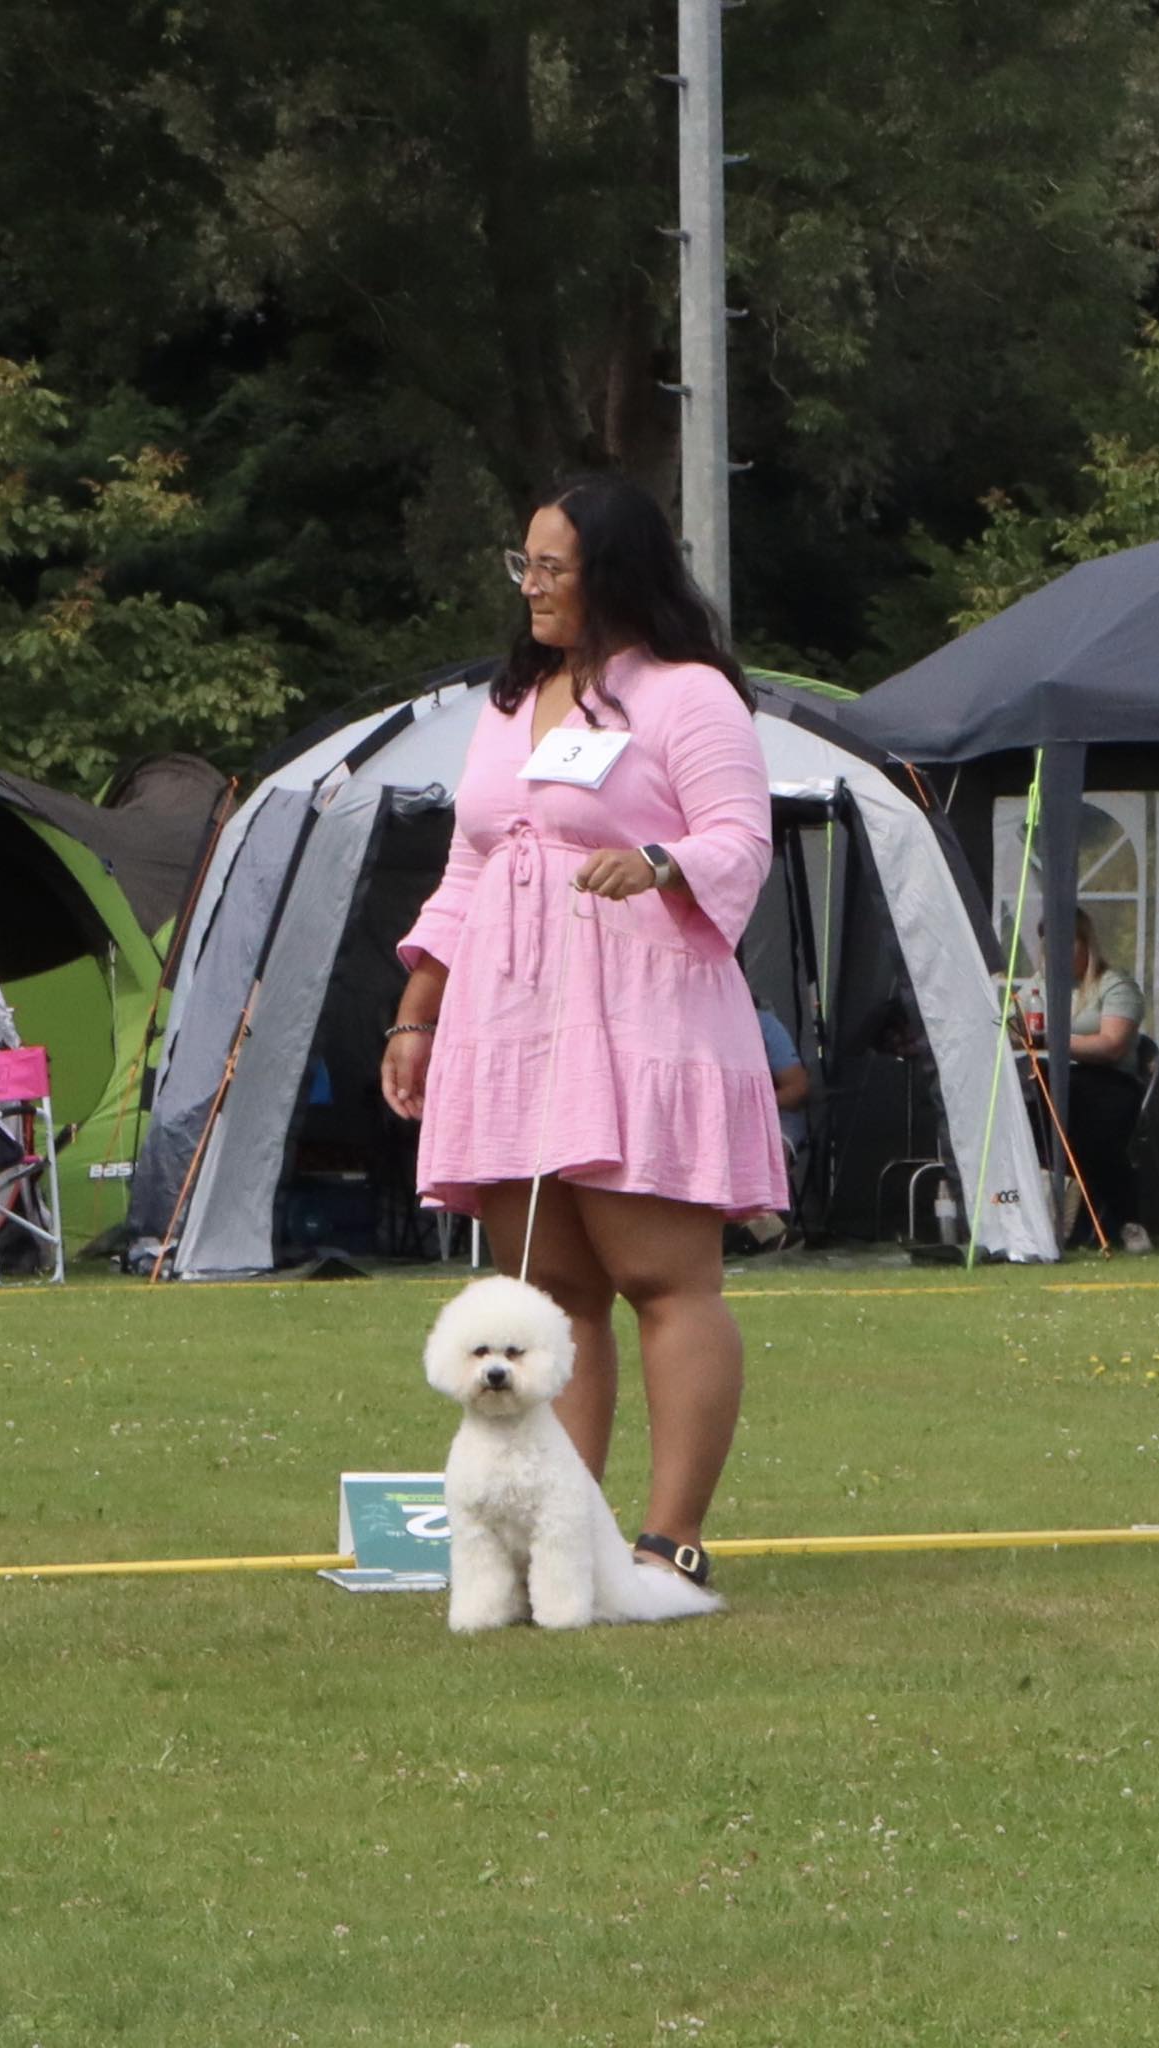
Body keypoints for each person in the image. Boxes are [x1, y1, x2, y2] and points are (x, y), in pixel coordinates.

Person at [380, 472, 786, 1593]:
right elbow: (470, 859)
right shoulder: (512, 703)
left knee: (663, 1277)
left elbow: (741, 843)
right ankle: (571, 1540)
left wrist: (660, 862)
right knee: (552, 1294)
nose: (533, 588)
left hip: (637, 1013)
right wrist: (418, 1007)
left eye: (552, 567)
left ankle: (671, 1542)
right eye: (525, 566)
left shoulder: (688, 695)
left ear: (616, 570)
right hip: (509, 1017)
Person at [1032, 908, 1149, 1252]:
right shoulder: (1040, 985)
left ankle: (1123, 1221)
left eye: (1065, 944)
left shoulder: (1115, 986)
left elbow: (1112, 1045)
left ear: (1086, 944)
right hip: (1058, 1081)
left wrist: (1054, 1040)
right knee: (1036, 1103)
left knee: (1091, 1133)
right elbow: (1014, 1022)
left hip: (1109, 1082)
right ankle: (1054, 1221)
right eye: (1047, 945)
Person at [731, 1004, 810, 1253]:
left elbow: (797, 1088)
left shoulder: (764, 1024)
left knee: (769, 1146)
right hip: (721, 1121)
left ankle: (769, 1231)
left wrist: (752, 1105)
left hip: (775, 1115)